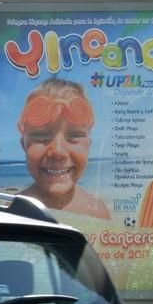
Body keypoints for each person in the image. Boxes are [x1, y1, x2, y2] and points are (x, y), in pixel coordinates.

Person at [16, 77, 110, 219]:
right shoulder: (15, 210)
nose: (58, 151)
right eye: (41, 136)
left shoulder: (96, 212)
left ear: (88, 146)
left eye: (74, 136)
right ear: (24, 145)